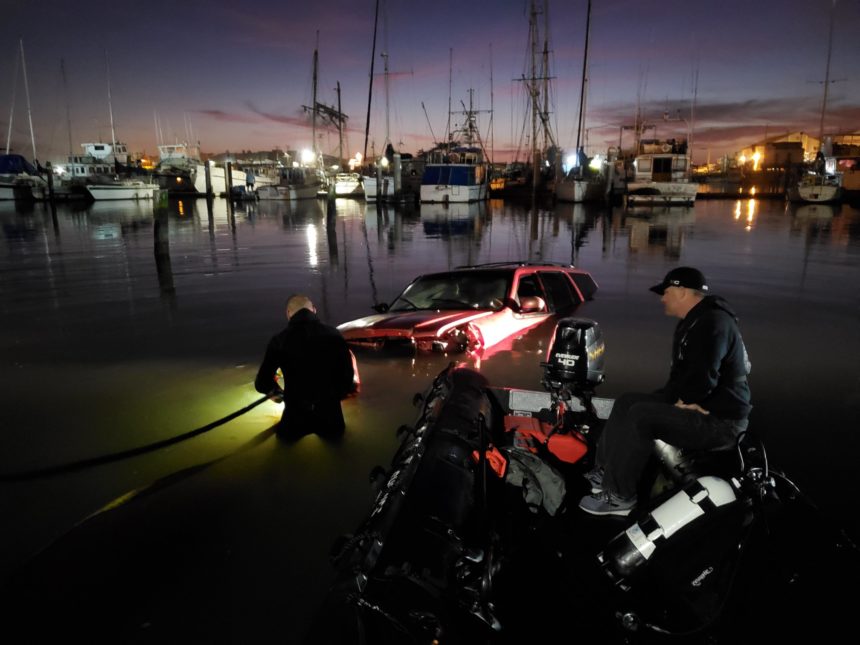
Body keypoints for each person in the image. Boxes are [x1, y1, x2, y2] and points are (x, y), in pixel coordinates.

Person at [579, 267, 752, 516]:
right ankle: (605, 472)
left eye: (666, 292)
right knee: (627, 401)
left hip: (722, 423)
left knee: (641, 416)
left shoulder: (712, 323)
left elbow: (703, 379)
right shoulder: (696, 321)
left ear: (682, 292)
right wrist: (676, 399)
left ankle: (620, 497)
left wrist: (687, 401)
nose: (662, 298)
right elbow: (684, 380)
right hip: (704, 406)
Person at [255, 294, 355, 437]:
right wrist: (335, 397)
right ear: (314, 310)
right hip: (330, 414)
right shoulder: (334, 335)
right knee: (336, 444)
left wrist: (279, 395)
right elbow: (347, 377)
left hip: (295, 414)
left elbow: (262, 384)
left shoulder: (279, 341)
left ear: (288, 314)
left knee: (285, 448)